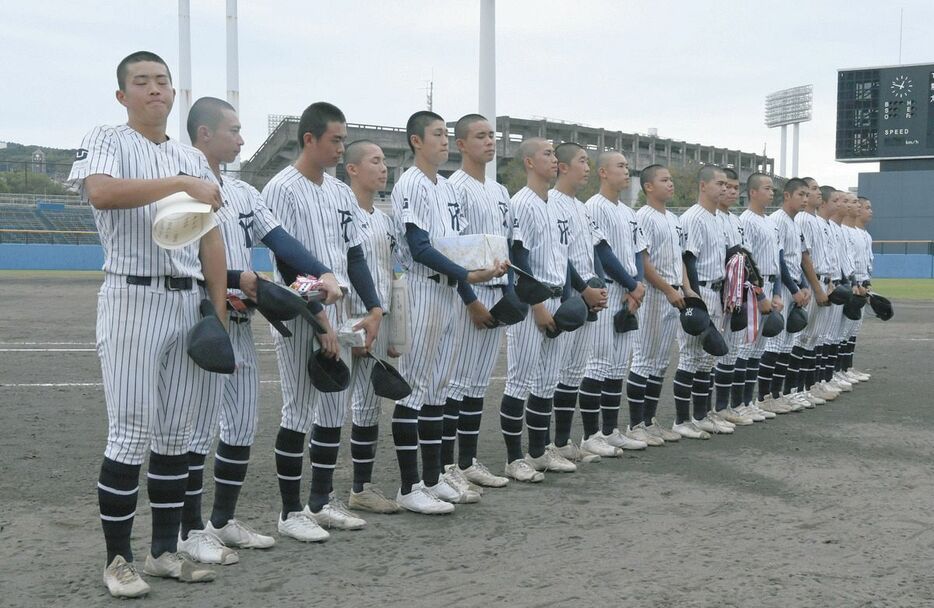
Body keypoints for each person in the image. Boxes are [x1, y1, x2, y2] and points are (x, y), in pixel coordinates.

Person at [68, 51, 227, 597]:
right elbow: (102, 192)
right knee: (131, 431)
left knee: (177, 436)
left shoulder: (192, 158)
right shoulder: (110, 137)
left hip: (186, 303)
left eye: (162, 81)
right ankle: (117, 560)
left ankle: (162, 552)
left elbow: (211, 238)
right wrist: (179, 180)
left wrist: (219, 310)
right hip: (132, 295)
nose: (154, 89)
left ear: (173, 93)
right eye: (142, 82)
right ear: (123, 95)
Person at [178, 96, 343, 563]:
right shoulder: (181, 186)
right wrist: (235, 278)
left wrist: (322, 272)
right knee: (197, 428)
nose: (242, 138)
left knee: (242, 424)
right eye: (234, 130)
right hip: (199, 319)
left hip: (239, 319)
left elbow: (281, 242)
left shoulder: (244, 193)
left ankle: (221, 521)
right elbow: (177, 257)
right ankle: (190, 531)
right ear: (205, 134)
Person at [263, 102, 384, 540]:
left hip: (341, 311)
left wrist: (374, 309)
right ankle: (290, 511)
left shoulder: (337, 191)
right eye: (334, 140)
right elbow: (287, 262)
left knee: (334, 406)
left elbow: (354, 256)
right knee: (298, 408)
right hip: (300, 310)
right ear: (309, 139)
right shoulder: (282, 189)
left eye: (343, 140)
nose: (340, 148)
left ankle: (322, 502)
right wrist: (319, 322)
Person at [391, 110, 506, 512]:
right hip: (422, 289)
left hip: (447, 292)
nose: (442, 140)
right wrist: (469, 276)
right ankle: (409, 488)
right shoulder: (411, 183)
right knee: (415, 390)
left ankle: (432, 477)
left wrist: (484, 267)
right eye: (436, 134)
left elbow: (456, 244)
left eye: (444, 134)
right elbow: (419, 247)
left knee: (438, 388)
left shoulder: (445, 187)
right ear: (415, 141)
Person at [442, 114, 514, 489]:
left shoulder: (500, 191)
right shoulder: (452, 188)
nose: (490, 142)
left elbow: (508, 246)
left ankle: (467, 462)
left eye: (492, 136)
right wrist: (470, 299)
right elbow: (452, 251)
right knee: (456, 383)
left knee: (477, 383)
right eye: (481, 136)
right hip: (467, 295)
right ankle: (446, 467)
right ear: (461, 144)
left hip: (497, 292)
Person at [498, 138, 576, 481]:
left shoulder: (556, 206)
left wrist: (568, 299)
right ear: (529, 162)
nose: (554, 159)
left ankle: (539, 452)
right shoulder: (522, 203)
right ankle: (514, 459)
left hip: (557, 298)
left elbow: (564, 258)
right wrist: (539, 305)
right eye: (547, 154)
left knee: (546, 382)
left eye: (555, 155)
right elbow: (520, 259)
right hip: (534, 302)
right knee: (520, 380)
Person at [549, 142, 625, 463]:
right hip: (565, 299)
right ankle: (547, 446)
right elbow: (558, 255)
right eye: (582, 161)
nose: (588, 168)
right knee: (551, 376)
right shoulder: (550, 203)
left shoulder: (580, 207)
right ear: (563, 166)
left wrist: (597, 286)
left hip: (587, 299)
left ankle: (564, 442)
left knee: (572, 374)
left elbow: (593, 252)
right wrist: (582, 290)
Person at [342, 139, 404, 513]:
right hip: (346, 317)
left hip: (379, 321)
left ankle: (360, 487)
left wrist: (396, 332)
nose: (383, 168)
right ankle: (318, 496)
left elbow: (394, 274)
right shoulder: (340, 212)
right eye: (375, 161)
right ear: (352, 169)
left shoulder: (384, 220)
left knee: (368, 406)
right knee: (330, 407)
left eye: (384, 162)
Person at [582, 152, 656, 448]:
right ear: (603, 172)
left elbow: (639, 250)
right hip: (607, 290)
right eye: (621, 166)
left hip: (628, 293)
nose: (627, 171)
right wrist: (631, 284)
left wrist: (637, 284)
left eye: (628, 166)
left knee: (616, 366)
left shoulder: (629, 212)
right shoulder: (592, 207)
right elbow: (602, 253)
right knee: (597, 364)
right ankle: (591, 435)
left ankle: (611, 431)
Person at [627, 165, 688, 443]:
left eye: (670, 179)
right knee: (644, 360)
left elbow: (681, 259)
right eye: (664, 180)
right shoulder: (643, 217)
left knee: (661, 362)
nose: (670, 184)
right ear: (648, 186)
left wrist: (686, 289)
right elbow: (645, 263)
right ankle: (635, 424)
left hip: (673, 294)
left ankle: (649, 421)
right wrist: (667, 290)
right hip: (654, 294)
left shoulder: (674, 219)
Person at [674, 165, 731, 437]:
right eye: (718, 183)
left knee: (707, 359)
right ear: (703, 186)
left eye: (725, 183)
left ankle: (701, 414)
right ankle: (682, 420)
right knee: (690, 357)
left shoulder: (716, 218)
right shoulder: (693, 218)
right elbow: (688, 259)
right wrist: (695, 299)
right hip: (700, 293)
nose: (723, 187)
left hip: (716, 290)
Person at [756, 178, 811, 413]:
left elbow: (799, 259)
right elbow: (780, 262)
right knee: (775, 344)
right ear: (787, 196)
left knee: (787, 344)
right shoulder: (777, 220)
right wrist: (794, 289)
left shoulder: (794, 222)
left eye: (807, 195)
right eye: (801, 194)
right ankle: (764, 396)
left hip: (793, 288)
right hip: (784, 289)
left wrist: (805, 284)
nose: (805, 200)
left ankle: (776, 394)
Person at [735, 173, 784, 419]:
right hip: (753, 290)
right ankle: (738, 404)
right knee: (745, 350)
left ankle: (748, 401)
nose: (771, 192)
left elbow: (777, 261)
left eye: (772, 188)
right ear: (752, 192)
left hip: (769, 286)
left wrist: (776, 293)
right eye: (766, 188)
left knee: (757, 352)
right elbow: (746, 263)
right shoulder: (745, 221)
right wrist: (761, 294)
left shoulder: (771, 223)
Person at [711, 167, 756, 427]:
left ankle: (725, 406)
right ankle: (710, 410)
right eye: (725, 185)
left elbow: (743, 257)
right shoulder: (711, 217)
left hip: (736, 292)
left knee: (731, 351)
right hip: (718, 291)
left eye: (733, 187)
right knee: (710, 354)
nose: (729, 190)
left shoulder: (736, 220)